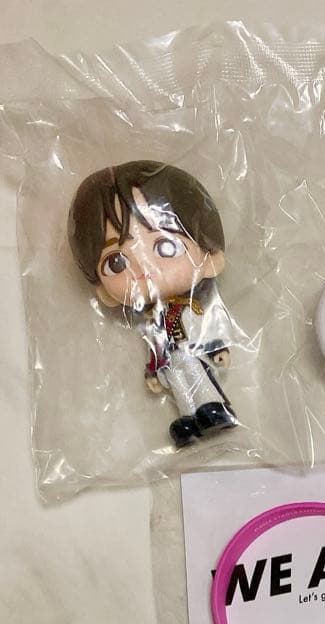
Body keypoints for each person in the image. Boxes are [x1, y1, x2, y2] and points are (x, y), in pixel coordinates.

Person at [68, 160, 237, 448]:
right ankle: (189, 416)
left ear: (209, 258)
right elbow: (154, 345)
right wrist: (151, 370)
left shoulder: (189, 308)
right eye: (116, 262)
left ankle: (213, 407)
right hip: (168, 362)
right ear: (104, 291)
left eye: (165, 246)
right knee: (179, 383)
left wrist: (216, 348)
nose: (143, 269)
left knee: (195, 373)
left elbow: (202, 328)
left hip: (190, 352)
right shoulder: (150, 320)